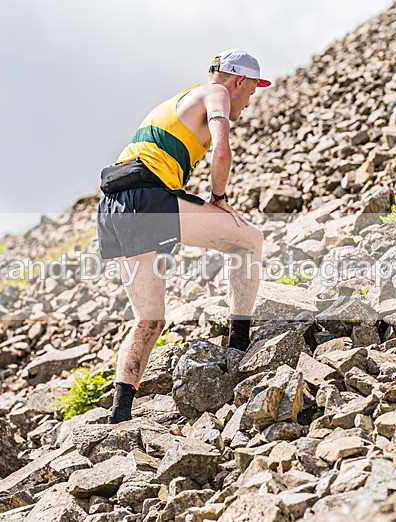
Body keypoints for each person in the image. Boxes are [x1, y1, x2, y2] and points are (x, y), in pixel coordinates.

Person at [97, 49, 271, 424]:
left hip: (115, 206)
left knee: (149, 318)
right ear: (238, 80)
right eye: (253, 89)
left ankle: (120, 413)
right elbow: (222, 152)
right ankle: (240, 346)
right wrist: (219, 199)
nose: (251, 99)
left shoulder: (181, 100)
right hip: (147, 198)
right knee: (249, 240)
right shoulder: (217, 93)